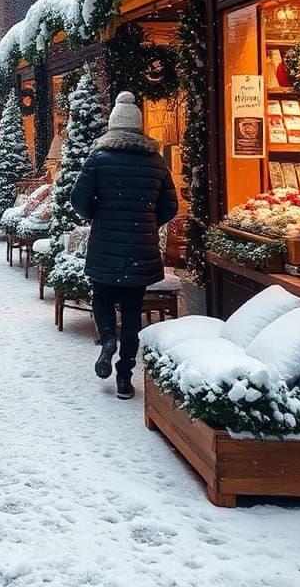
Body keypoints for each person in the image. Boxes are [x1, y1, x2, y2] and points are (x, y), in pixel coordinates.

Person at [71, 91, 178, 401]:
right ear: (138, 127)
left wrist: (97, 216)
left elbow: (78, 198)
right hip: (140, 248)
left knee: (101, 297)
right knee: (133, 312)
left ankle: (107, 340)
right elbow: (170, 205)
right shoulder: (155, 161)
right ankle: (124, 378)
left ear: (113, 125)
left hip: (105, 244)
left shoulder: (98, 158)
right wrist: (148, 222)